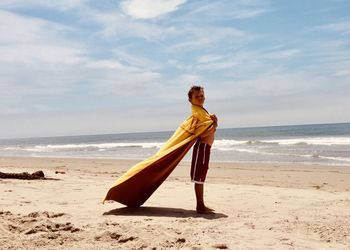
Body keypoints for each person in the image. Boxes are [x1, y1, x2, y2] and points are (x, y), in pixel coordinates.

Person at [187, 86, 218, 214]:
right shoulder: (197, 113)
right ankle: (200, 206)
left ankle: (201, 205)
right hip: (202, 147)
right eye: (196, 96)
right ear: (190, 99)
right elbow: (201, 134)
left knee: (201, 176)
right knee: (199, 177)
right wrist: (215, 125)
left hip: (205, 148)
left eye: (201, 96)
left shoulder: (201, 111)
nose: (200, 98)